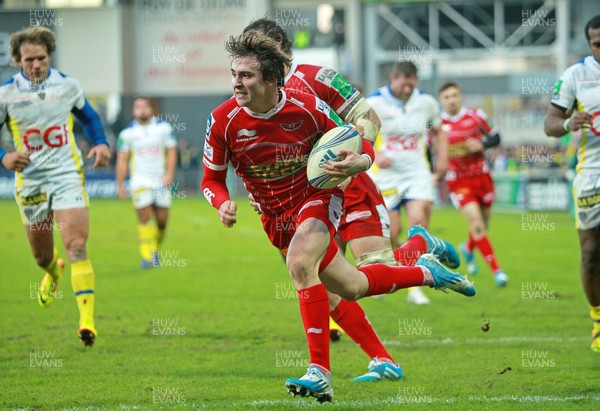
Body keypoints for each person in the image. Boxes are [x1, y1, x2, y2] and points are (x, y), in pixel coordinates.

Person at [201, 31, 475, 402]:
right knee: (351, 287)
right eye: (234, 73)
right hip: (275, 216)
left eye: (246, 74)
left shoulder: (311, 93)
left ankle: (321, 372)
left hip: (324, 194)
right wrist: (222, 203)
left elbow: (362, 125)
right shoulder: (222, 120)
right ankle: (425, 269)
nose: (237, 81)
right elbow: (212, 178)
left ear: (272, 71)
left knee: (303, 264)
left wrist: (362, 159)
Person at [242, 20, 454, 311]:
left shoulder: (318, 77)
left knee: (374, 272)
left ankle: (421, 245)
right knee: (320, 274)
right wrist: (259, 191)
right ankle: (337, 343)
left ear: (280, 48)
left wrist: (354, 158)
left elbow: (369, 118)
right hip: (304, 198)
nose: (251, 55)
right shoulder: (252, 97)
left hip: (350, 187)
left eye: (258, 47)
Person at [0, 26, 110, 346]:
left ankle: (86, 323)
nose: (36, 65)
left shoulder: (68, 86)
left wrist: (101, 143)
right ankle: (52, 271)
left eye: (42, 58)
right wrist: (4, 156)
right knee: (41, 256)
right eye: (29, 59)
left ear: (50, 56)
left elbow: (89, 118)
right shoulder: (6, 94)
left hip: (66, 174)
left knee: (76, 244)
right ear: (18, 61)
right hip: (31, 179)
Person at [366, 60, 450, 303]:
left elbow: (439, 131)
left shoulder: (426, 102)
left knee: (418, 226)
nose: (407, 89)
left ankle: (414, 286)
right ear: (393, 78)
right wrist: (375, 155)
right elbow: (359, 134)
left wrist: (442, 158)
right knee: (392, 231)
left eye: (412, 85)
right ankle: (384, 275)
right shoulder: (374, 103)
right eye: (404, 84)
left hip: (417, 172)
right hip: (386, 175)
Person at [544, 14, 600, 352]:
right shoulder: (576, 76)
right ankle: (598, 320)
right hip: (592, 174)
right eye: (597, 44)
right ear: (589, 43)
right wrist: (568, 124)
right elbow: (550, 121)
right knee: (592, 252)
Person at [438, 81, 508, 286]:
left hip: (482, 177)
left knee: (483, 224)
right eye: (446, 97)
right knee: (477, 224)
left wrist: (482, 144)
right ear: (441, 101)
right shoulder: (437, 124)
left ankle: (468, 249)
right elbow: (428, 149)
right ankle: (498, 271)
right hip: (458, 182)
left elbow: (496, 137)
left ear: (460, 97)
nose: (451, 100)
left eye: (454, 96)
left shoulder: (476, 116)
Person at [116, 97, 177, 268]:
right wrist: (120, 184)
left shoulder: (163, 128)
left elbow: (172, 152)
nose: (141, 110)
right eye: (138, 107)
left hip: (160, 180)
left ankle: (154, 249)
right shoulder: (127, 134)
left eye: (145, 106)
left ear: (151, 109)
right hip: (139, 181)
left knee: (162, 221)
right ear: (133, 111)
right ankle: (147, 257)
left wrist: (169, 174)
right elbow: (122, 160)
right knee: (144, 217)